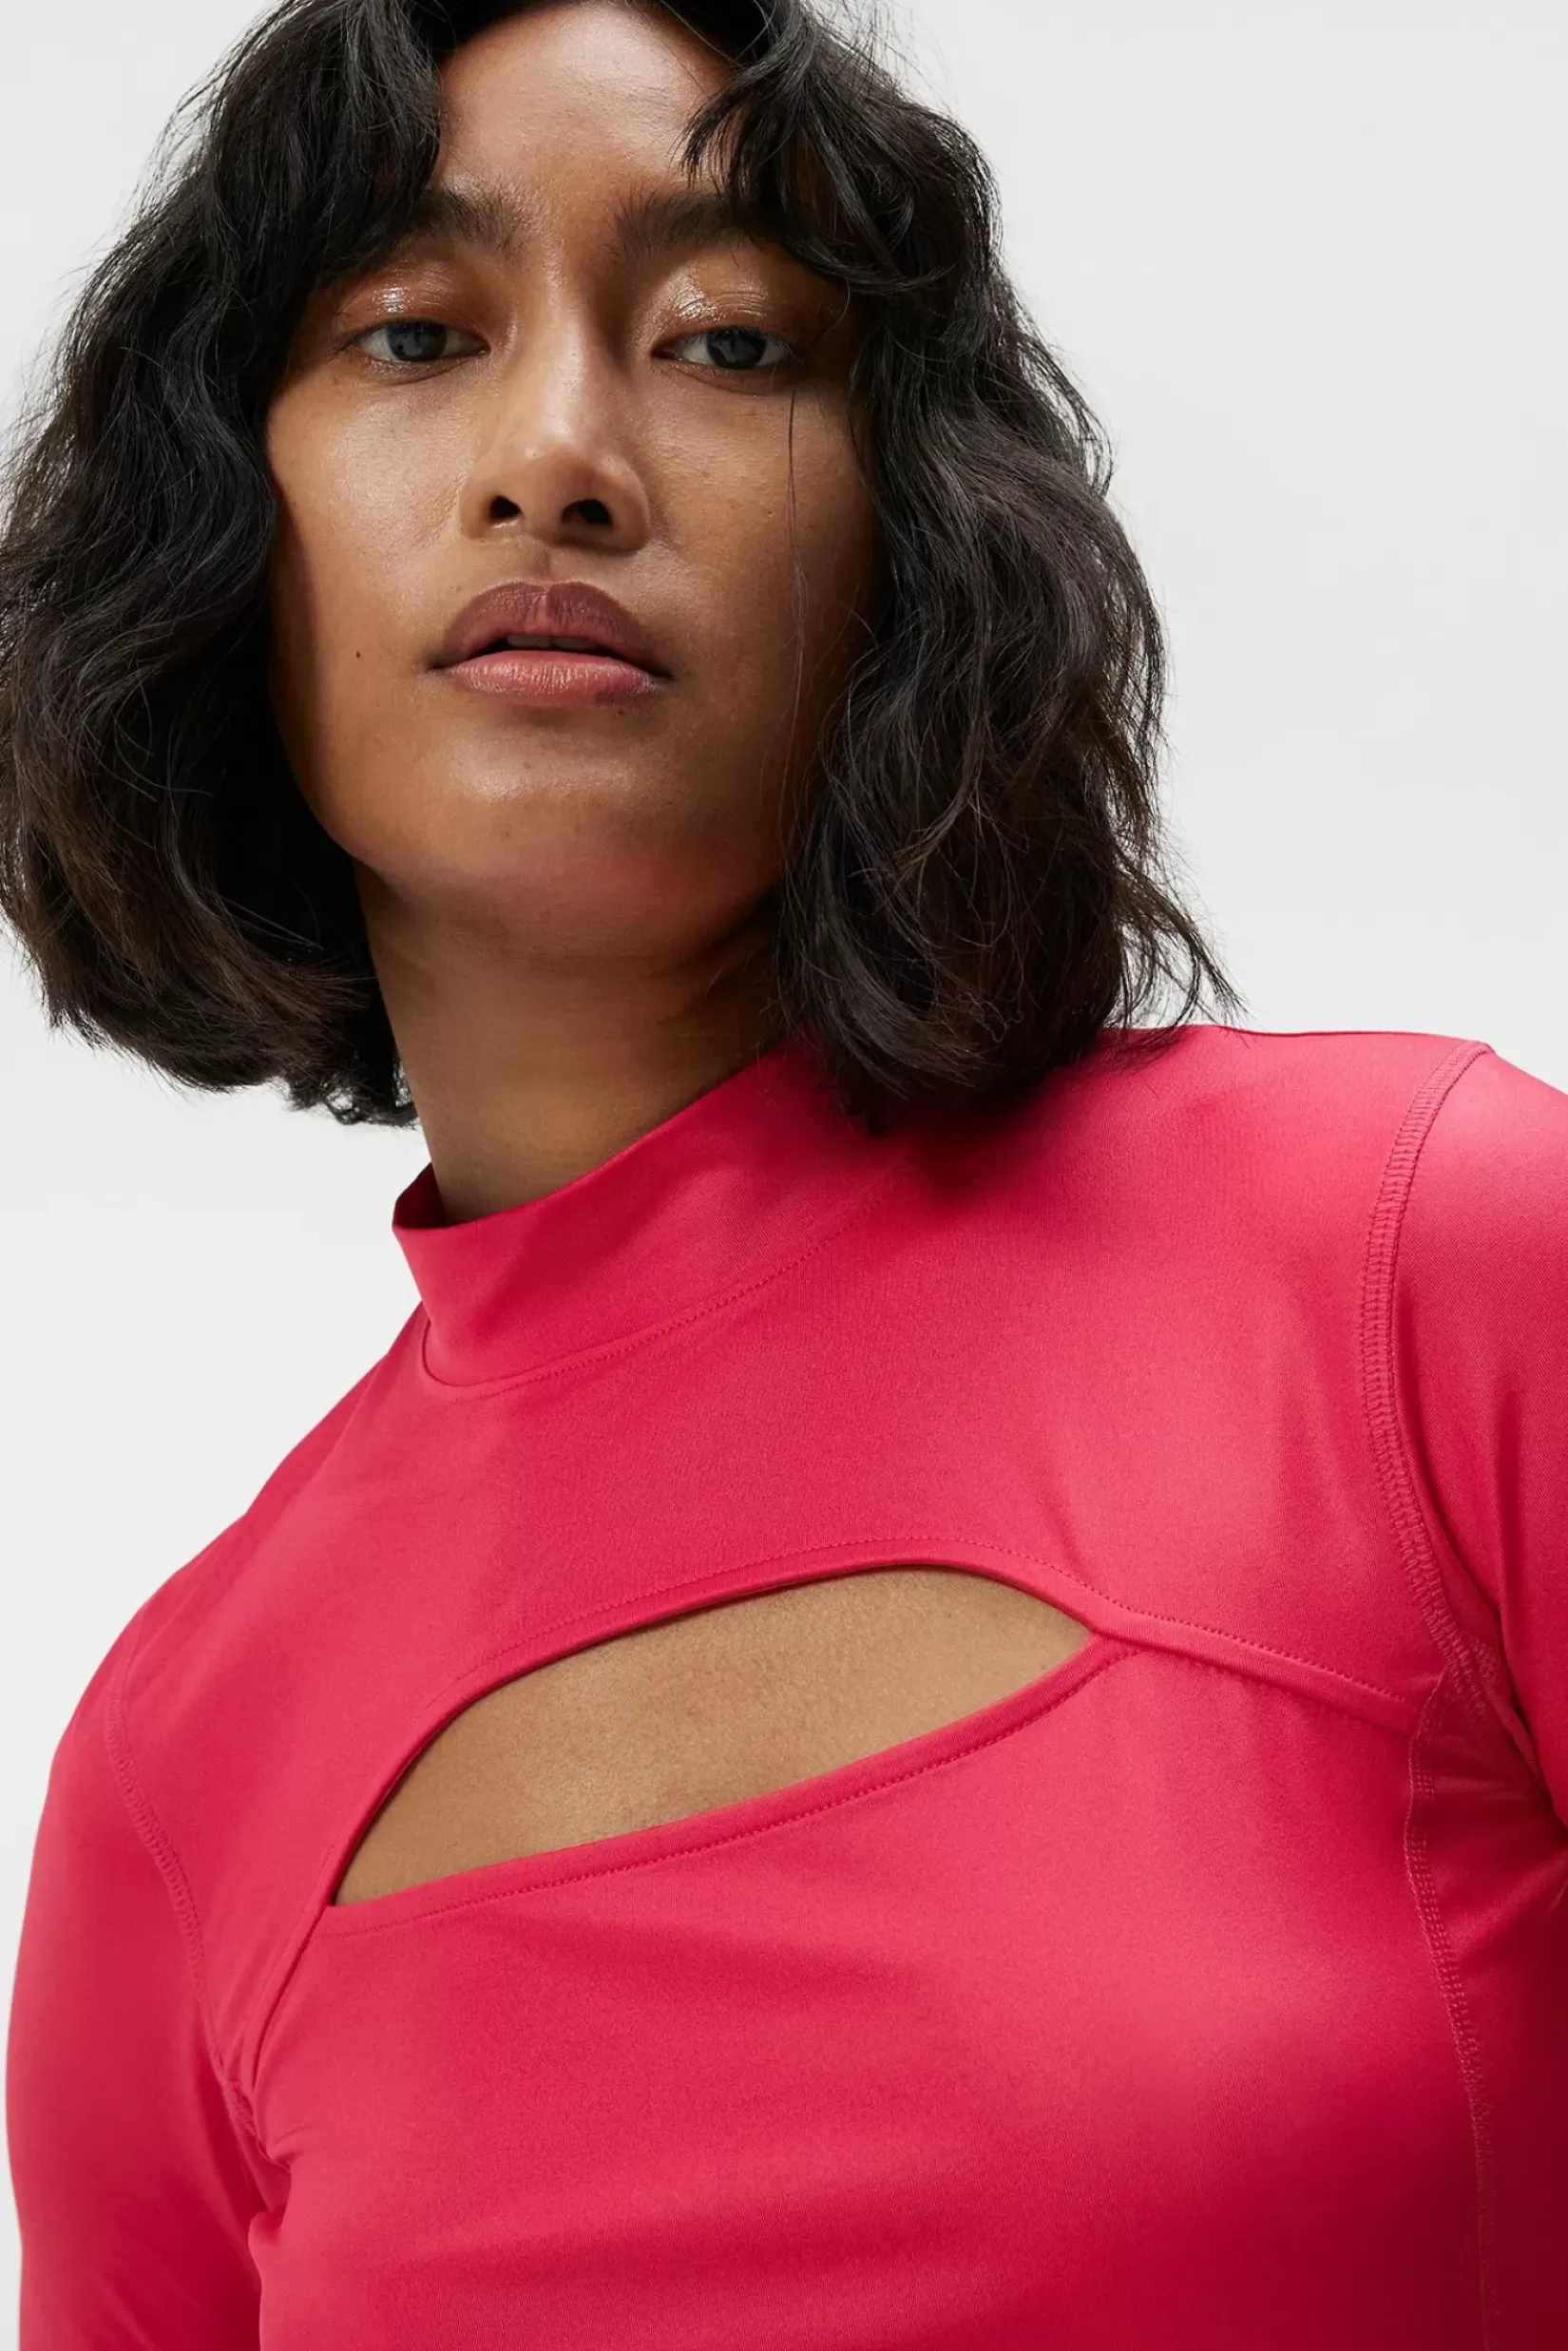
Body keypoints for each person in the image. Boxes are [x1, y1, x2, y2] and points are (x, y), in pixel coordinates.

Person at [2, 0, 1564, 2342]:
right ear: (225, 528)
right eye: (414, 331)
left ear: (911, 531)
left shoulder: (1419, 1265)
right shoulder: (169, 1775)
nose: (559, 456)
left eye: (730, 343)